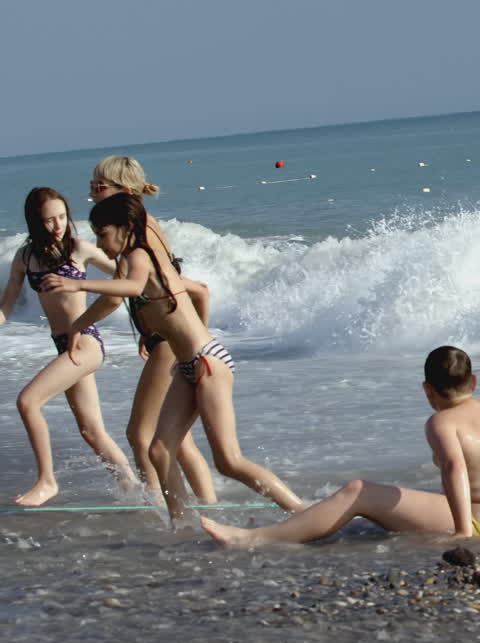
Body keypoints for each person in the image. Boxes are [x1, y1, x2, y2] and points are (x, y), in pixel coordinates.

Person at [44, 193, 304, 525]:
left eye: (103, 233)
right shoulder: (131, 260)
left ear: (126, 228)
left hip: (208, 361)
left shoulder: (140, 255)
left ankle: (303, 512)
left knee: (228, 461)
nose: (99, 243)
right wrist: (78, 326)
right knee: (159, 449)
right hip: (187, 366)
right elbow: (115, 299)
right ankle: (182, 525)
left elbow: (133, 286)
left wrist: (76, 285)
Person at [200, 346, 480, 547]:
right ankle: (298, 523)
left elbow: (454, 468)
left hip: (476, 526)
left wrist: (463, 532)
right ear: (473, 381)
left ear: (427, 389)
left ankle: (251, 538)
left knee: (358, 492)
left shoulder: (443, 421)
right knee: (370, 514)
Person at [86, 156, 217, 504]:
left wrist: (78, 325)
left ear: (125, 191)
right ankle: (208, 505)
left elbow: (118, 296)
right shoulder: (140, 227)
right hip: (168, 337)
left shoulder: (137, 234)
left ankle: (159, 507)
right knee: (178, 439)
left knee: (139, 435)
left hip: (170, 341)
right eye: (92, 183)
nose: (93, 190)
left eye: (101, 185)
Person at [0, 188, 137, 505]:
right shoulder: (25, 257)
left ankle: (47, 482)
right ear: (35, 222)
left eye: (62, 217)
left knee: (28, 402)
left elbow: (127, 277)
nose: (57, 225)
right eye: (49, 220)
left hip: (85, 341)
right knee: (91, 431)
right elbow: (6, 307)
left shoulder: (79, 249)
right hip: (63, 347)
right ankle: (134, 490)